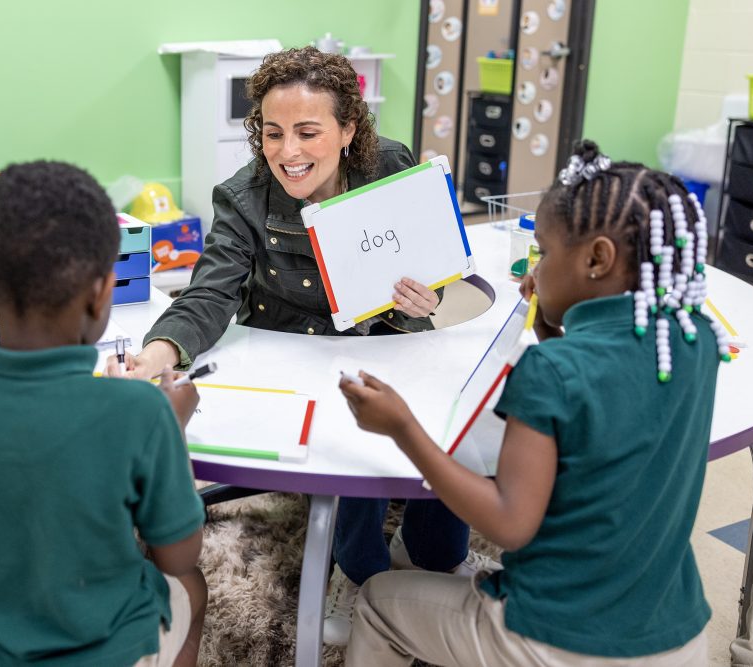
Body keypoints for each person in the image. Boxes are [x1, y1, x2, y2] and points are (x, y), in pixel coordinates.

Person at [110, 46, 490, 646]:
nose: (288, 152)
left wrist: (432, 301)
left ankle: (435, 556)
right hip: (297, 351)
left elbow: (442, 275)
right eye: (272, 131)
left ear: (348, 130)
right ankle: (358, 568)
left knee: (454, 408)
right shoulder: (243, 195)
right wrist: (155, 355)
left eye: (309, 132)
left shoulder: (393, 165)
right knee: (354, 432)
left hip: (386, 339)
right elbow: (209, 294)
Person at [340, 141, 727, 666]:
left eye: (543, 252)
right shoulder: (695, 337)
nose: (535, 269)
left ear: (597, 259)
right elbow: (602, 402)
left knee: (378, 603)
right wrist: (550, 326)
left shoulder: (549, 372)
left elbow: (508, 524)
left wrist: (402, 427)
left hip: (560, 639)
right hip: (677, 633)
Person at [0, 161, 208, 667]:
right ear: (103, 291)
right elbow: (178, 554)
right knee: (191, 587)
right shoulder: (142, 411)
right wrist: (170, 432)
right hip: (113, 650)